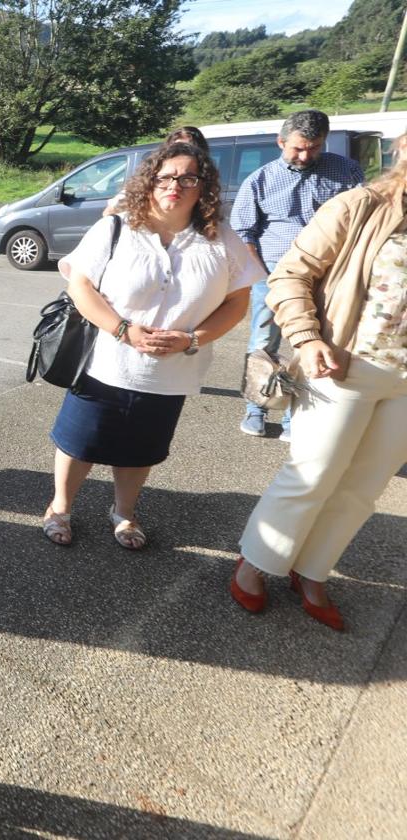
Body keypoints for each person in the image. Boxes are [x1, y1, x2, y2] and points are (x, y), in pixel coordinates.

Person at [41, 142, 263, 549]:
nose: (174, 185)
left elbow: (238, 300)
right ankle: (60, 507)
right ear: (150, 181)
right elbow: (80, 285)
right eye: (165, 176)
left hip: (172, 373)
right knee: (79, 443)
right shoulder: (118, 227)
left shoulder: (220, 239)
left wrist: (194, 338)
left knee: (140, 451)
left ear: (203, 187)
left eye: (187, 178)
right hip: (103, 362)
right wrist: (122, 329)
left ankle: (123, 513)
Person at [230, 132, 407, 632]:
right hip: (344, 367)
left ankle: (311, 571)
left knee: (363, 487)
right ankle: (254, 564)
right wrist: (307, 339)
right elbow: (289, 276)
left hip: (404, 382)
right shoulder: (360, 206)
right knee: (312, 474)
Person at [231, 110, 365, 441]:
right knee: (264, 344)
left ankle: (295, 417)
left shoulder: (346, 171)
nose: (306, 156)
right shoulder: (260, 180)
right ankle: (256, 410)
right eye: (298, 148)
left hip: (328, 278)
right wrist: (261, 275)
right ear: (281, 142)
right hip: (273, 277)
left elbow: (363, 219)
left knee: (311, 344)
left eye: (314, 148)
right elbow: (243, 232)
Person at [103, 126, 209, 217]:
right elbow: (110, 211)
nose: (174, 186)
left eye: (188, 148)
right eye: (176, 148)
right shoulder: (150, 176)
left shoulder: (207, 183)